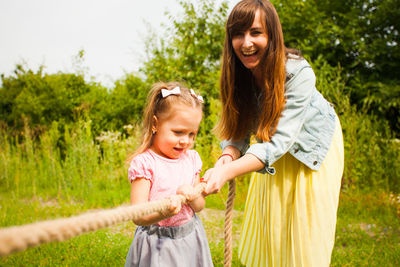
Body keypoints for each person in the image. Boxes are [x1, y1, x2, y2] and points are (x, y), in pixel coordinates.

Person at [202, 0, 344, 266]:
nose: (246, 43)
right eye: (238, 34)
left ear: (272, 35)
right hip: (270, 149)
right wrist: (226, 158)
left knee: (304, 233)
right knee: (271, 232)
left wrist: (225, 173)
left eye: (255, 32)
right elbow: (237, 131)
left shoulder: (297, 72)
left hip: (311, 149)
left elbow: (280, 141)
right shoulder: (238, 73)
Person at [124, 82, 213, 267]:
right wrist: (163, 212)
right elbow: (137, 215)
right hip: (157, 244)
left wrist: (192, 195)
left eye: (192, 134)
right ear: (156, 124)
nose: (185, 141)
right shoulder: (145, 164)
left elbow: (199, 206)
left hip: (190, 238)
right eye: (178, 132)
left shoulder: (191, 159)